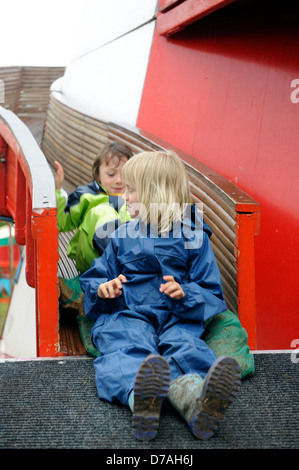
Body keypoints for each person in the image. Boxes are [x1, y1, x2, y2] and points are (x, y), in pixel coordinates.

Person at [79, 151, 241, 442]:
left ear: (156, 194)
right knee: (125, 344)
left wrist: (186, 292)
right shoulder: (122, 235)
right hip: (129, 311)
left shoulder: (194, 236)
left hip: (176, 314)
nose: (123, 197)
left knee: (184, 346)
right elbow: (97, 276)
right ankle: (140, 398)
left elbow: (211, 291)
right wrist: (102, 289)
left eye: (131, 190)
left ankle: (195, 402)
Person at [54, 142, 133, 274]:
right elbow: (61, 223)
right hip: (91, 260)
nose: (119, 180)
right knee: (103, 211)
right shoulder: (87, 195)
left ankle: (128, 267)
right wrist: (57, 191)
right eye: (111, 174)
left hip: (130, 257)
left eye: (125, 174)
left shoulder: (135, 197)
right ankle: (122, 264)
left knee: (130, 210)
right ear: (98, 175)